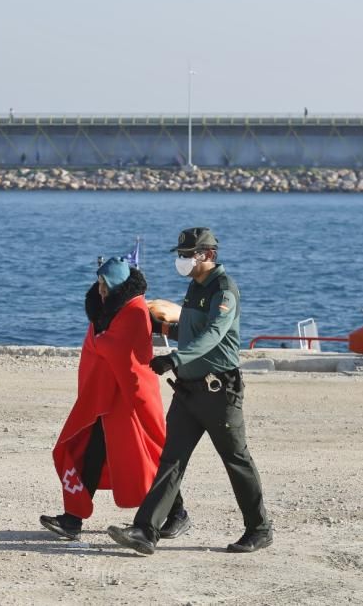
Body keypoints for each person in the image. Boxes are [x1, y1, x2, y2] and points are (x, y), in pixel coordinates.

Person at [107, 227, 273, 555]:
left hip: (218, 392)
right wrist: (161, 328)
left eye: (188, 255)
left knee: (235, 459)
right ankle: (145, 531)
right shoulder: (194, 287)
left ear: (208, 255)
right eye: (180, 255)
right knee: (171, 459)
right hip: (187, 392)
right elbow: (190, 328)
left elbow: (213, 334)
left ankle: (259, 528)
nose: (182, 261)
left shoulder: (223, 290)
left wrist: (174, 358)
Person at [40, 257, 189, 541]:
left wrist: (99, 342)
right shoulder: (105, 312)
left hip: (131, 397)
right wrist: (100, 343)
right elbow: (102, 347)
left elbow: (120, 351)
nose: (101, 290)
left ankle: (178, 512)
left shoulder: (133, 312)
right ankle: (73, 518)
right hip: (105, 397)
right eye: (98, 284)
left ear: (117, 285)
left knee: (151, 453)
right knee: (92, 453)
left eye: (105, 285)